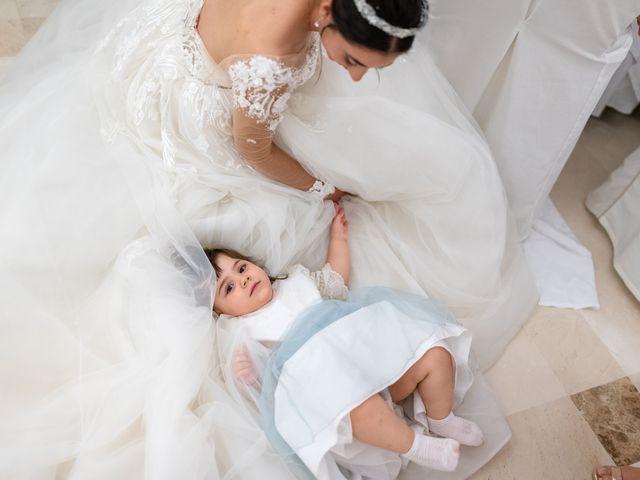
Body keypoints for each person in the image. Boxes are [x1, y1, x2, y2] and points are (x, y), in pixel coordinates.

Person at [0, 0, 534, 477]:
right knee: (286, 197)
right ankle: (415, 441)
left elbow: (332, 276)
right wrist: (323, 187)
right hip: (208, 96)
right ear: (328, 12)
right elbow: (254, 148)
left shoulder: (305, 31)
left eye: (368, 70)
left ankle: (433, 415)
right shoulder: (270, 57)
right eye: (350, 61)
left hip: (186, 31)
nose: (351, 77)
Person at [210, 207, 484, 478]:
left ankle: (441, 417)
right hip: (339, 400)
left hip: (375, 364)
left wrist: (338, 241)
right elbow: (272, 388)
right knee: (358, 406)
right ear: (221, 312)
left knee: (434, 353)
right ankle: (416, 446)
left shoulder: (297, 279)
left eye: (241, 267)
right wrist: (248, 372)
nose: (243, 279)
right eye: (229, 288)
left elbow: (336, 280)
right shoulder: (246, 331)